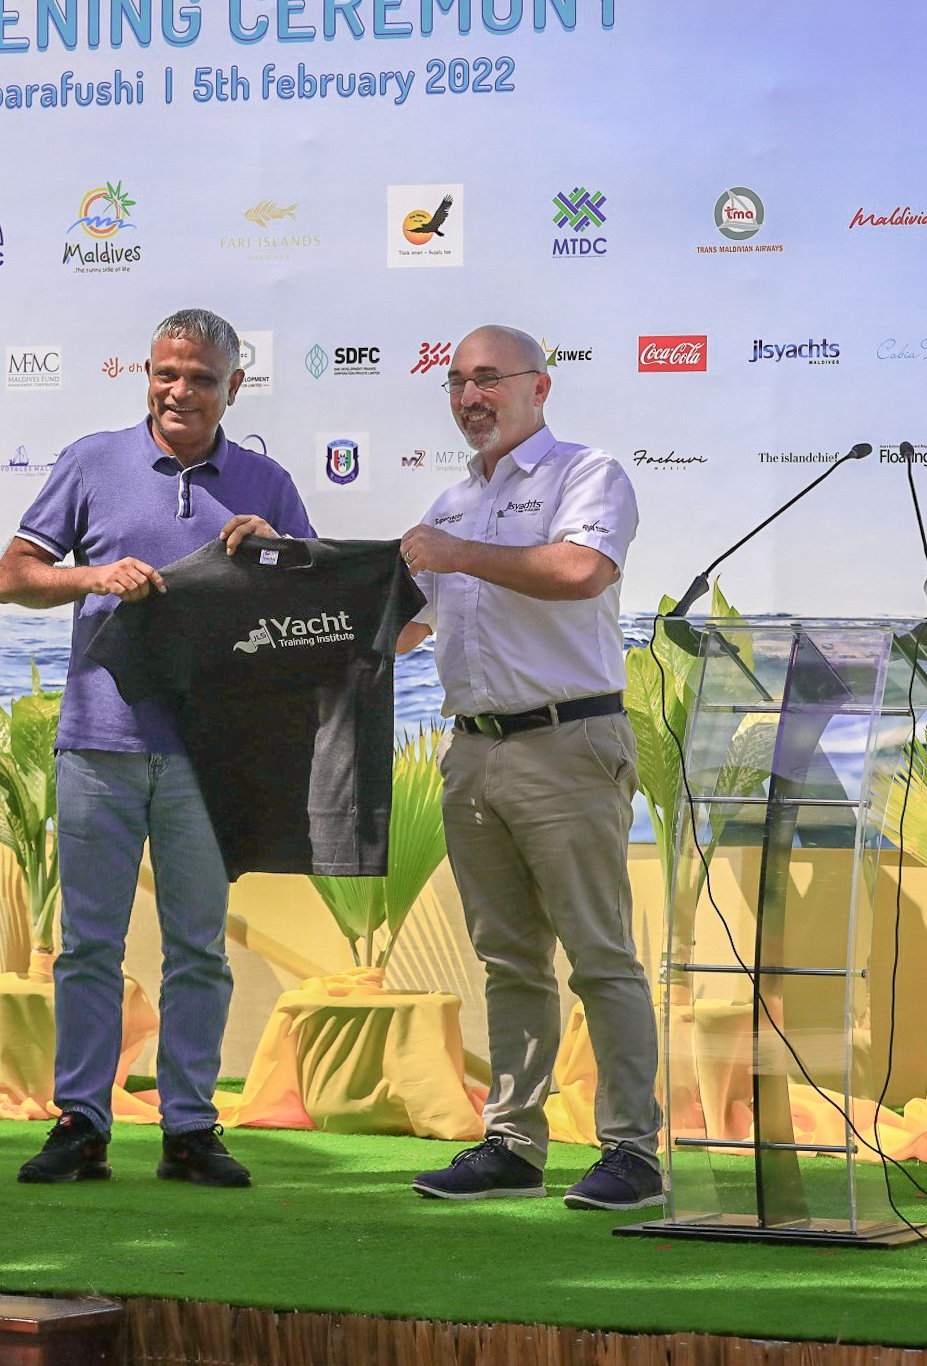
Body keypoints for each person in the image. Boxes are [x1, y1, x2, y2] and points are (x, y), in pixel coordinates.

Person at [0, 307, 314, 1188]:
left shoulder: (267, 482)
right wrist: (92, 576)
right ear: (146, 374)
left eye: (202, 379)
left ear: (234, 386)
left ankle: (190, 1128)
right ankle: (81, 1123)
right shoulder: (93, 462)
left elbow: (311, 604)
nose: (180, 392)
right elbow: (13, 577)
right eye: (166, 374)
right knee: (89, 946)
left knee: (198, 950)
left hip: (211, 755)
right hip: (98, 743)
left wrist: (277, 552)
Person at [395, 324, 663, 1210]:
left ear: (539, 387)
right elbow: (403, 629)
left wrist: (453, 555)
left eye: (488, 379)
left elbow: (582, 570)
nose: (470, 397)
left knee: (600, 955)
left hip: (566, 742)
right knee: (508, 958)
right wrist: (279, 575)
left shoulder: (586, 474)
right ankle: (513, 1144)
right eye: (455, 383)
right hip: (473, 750)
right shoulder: (449, 503)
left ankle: (632, 1153)